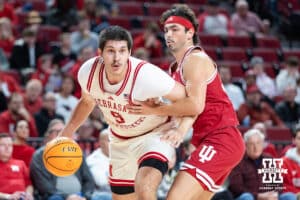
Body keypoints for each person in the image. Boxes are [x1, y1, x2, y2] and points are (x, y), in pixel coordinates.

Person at [128, 4, 245, 200]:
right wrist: (169, 122)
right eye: (166, 30)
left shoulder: (195, 59)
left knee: (175, 198)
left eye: (174, 29)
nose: (168, 35)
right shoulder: (176, 69)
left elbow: (195, 106)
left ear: (190, 32)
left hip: (221, 138)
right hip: (210, 140)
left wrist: (155, 110)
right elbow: (186, 110)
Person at [58, 25, 187, 200]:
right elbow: (87, 101)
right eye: (111, 51)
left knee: (145, 186)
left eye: (122, 51)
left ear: (129, 53)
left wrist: (179, 128)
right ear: (100, 53)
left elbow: (186, 99)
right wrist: (66, 133)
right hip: (120, 140)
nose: (117, 58)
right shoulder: (88, 73)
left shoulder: (147, 76)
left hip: (155, 135)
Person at [30, 119, 95, 200]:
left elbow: (89, 180)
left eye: (63, 132)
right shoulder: (39, 155)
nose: (60, 135)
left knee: (103, 196)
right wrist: (67, 197)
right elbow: (43, 186)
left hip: (80, 195)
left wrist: (85, 196)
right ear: (48, 135)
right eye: (57, 132)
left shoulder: (76, 152)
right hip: (55, 196)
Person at [228, 129, 278, 200]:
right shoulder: (238, 161)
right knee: (247, 197)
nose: (255, 147)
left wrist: (273, 194)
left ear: (262, 144)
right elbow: (236, 188)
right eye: (251, 144)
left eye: (258, 143)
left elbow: (277, 183)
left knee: (288, 196)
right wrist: (258, 196)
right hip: (246, 197)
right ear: (245, 145)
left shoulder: (269, 159)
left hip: (267, 197)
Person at [0, 133, 34, 200]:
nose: (7, 147)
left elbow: (29, 184)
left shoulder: (21, 163)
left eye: (10, 145)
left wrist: (28, 194)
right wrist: (8, 196)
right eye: (3, 145)